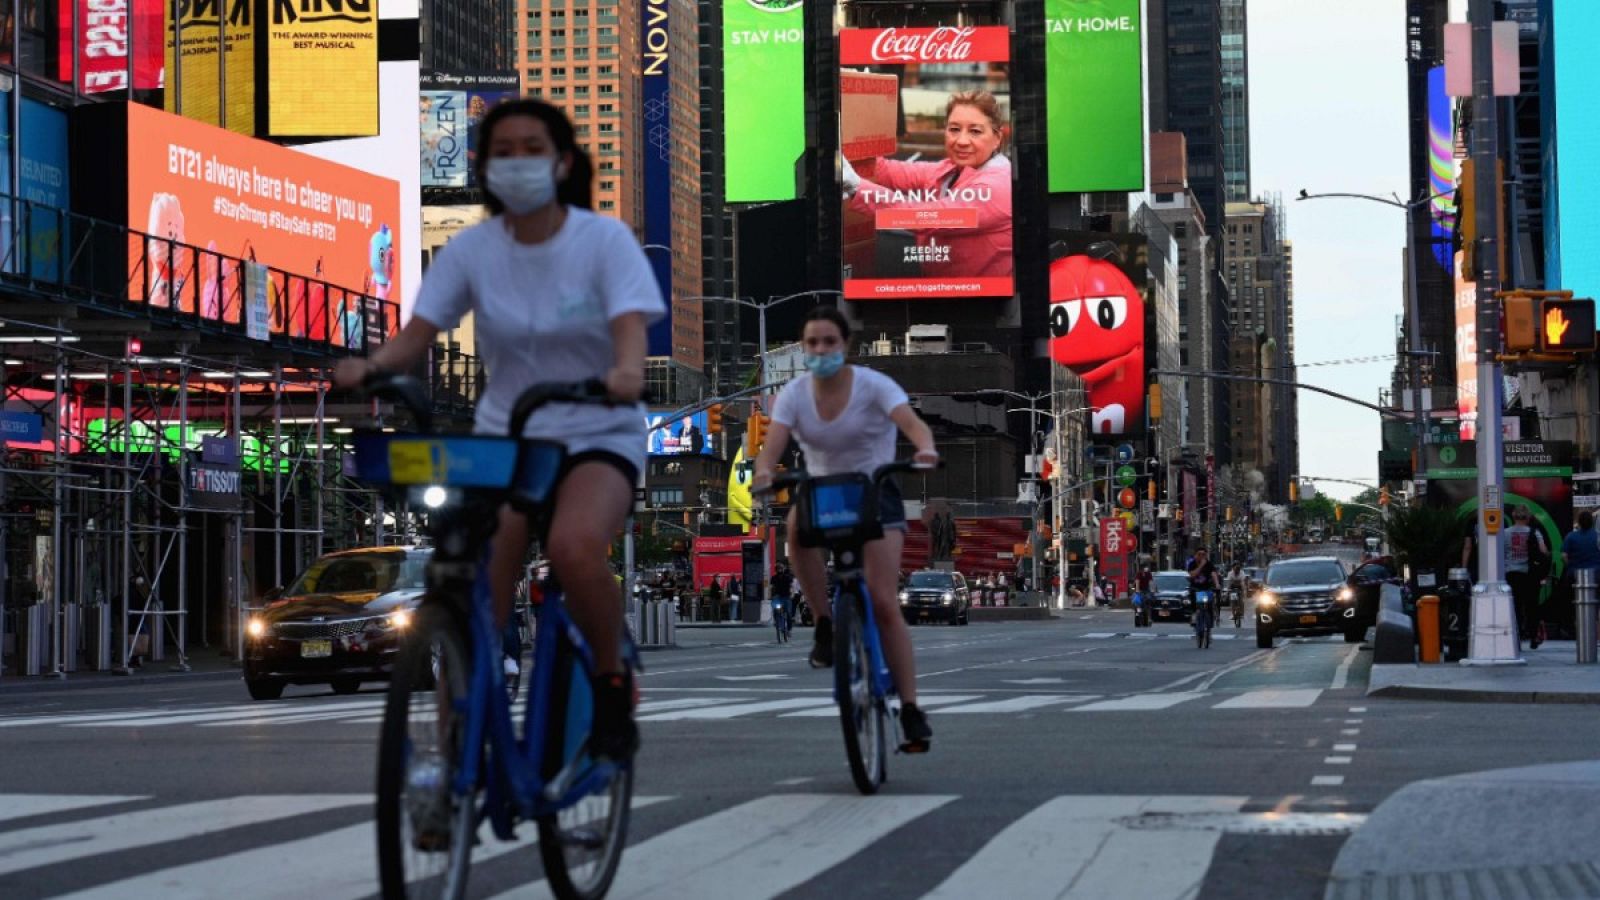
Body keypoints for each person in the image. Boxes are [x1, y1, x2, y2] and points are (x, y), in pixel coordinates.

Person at [333, 99, 660, 762]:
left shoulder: (603, 241)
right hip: (507, 438)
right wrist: (369, 368)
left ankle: (610, 679)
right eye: (501, 150)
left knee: (571, 548)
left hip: (598, 428)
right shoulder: (473, 249)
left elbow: (631, 332)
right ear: (482, 166)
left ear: (562, 161)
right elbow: (415, 339)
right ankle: (455, 754)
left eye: (531, 147)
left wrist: (626, 372)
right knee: (476, 583)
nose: (516, 162)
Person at [751, 306, 940, 753]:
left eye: (829, 343)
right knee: (795, 527)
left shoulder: (874, 386)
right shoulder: (794, 395)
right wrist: (762, 472)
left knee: (882, 600)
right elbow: (771, 447)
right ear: (803, 348)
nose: (820, 351)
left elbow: (912, 425)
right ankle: (823, 623)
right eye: (812, 343)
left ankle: (911, 709)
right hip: (823, 493)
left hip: (874, 490)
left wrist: (926, 450)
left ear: (845, 347)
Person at [841, 91, 1013, 280]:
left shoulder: (999, 186)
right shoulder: (953, 168)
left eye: (975, 131)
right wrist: (848, 144)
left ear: (997, 138)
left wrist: (856, 185)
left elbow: (926, 217)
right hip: (943, 292)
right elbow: (891, 171)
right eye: (954, 129)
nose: (962, 141)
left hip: (982, 301)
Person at [1503, 506, 1550, 649]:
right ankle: (1533, 636)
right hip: (1530, 574)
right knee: (1532, 606)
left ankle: (1516, 638)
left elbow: (1501, 553)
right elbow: (1543, 551)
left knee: (1514, 606)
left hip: (1511, 574)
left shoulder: (1505, 533)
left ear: (1513, 516)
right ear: (1528, 517)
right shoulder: (1534, 532)